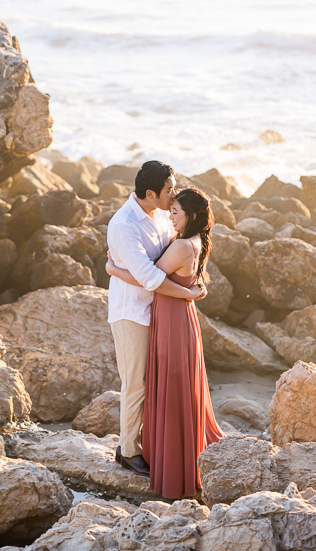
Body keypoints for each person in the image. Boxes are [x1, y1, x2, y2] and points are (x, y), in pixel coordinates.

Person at [107, 186, 225, 498]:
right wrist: (191, 292)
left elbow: (151, 279)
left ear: (192, 216)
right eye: (169, 207)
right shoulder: (192, 239)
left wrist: (113, 269)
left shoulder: (183, 244)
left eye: (175, 211)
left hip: (173, 320)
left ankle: (169, 461)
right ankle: (161, 453)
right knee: (169, 387)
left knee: (171, 390)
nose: (169, 215)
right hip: (172, 318)